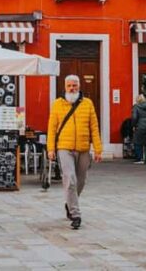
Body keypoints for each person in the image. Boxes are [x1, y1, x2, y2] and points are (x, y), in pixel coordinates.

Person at [46, 74, 102, 230]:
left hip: (83, 148)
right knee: (70, 179)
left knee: (81, 181)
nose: (72, 88)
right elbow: (51, 128)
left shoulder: (88, 104)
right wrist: (50, 148)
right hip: (64, 147)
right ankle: (75, 215)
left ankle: (69, 203)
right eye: (69, 85)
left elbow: (94, 128)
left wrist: (98, 149)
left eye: (75, 85)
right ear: (65, 87)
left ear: (79, 86)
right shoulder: (57, 104)